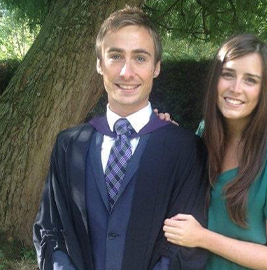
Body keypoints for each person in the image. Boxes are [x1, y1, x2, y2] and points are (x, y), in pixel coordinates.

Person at [33, 6, 208, 270]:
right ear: (99, 64)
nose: (127, 72)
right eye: (115, 56)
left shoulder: (185, 150)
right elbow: (51, 230)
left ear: (156, 67)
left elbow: (183, 248)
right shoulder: (68, 147)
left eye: (140, 58)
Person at [163, 34, 267, 270]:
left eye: (250, 80)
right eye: (228, 74)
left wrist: (202, 237)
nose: (236, 88)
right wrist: (170, 136)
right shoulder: (207, 132)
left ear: (264, 90)